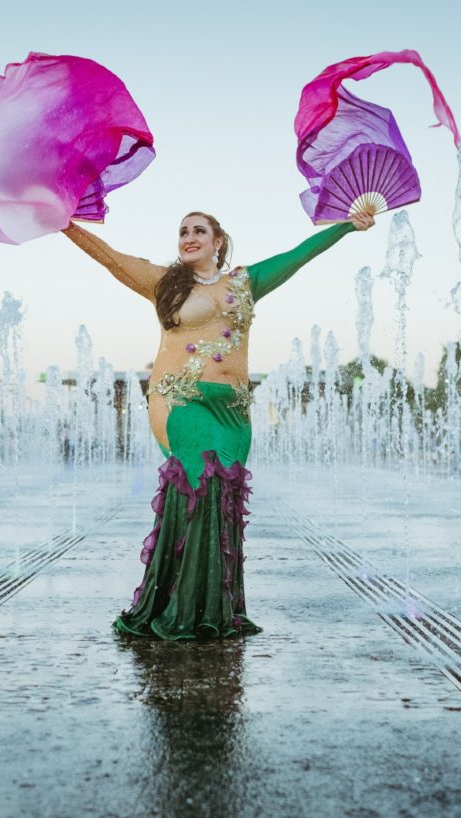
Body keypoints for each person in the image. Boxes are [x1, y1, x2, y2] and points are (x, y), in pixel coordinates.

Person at [63, 209, 375, 639]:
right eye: (182, 231)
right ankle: (178, 608)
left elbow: (299, 255)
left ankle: (213, 608)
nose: (189, 237)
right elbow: (111, 258)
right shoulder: (164, 282)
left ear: (218, 241)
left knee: (222, 500)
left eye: (199, 230)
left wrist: (347, 227)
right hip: (181, 401)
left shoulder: (246, 282)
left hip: (233, 412)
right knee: (200, 488)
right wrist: (66, 224)